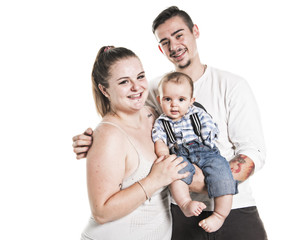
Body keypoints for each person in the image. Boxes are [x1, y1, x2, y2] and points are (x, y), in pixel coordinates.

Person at [73, 6, 267, 240]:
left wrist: (210, 181)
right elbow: (127, 124)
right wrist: (93, 139)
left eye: (178, 35)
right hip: (179, 212)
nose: (174, 46)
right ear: (159, 48)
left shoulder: (231, 85)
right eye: (165, 42)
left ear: (195, 31)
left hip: (234, 208)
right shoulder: (153, 89)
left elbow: (253, 152)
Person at [79, 45, 189, 240]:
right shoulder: (109, 135)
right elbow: (101, 212)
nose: (137, 87)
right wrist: (154, 180)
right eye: (124, 82)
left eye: (140, 76)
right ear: (104, 89)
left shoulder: (153, 115)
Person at [152, 71, 238, 233]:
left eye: (181, 100)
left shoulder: (197, 113)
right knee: (177, 174)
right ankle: (185, 203)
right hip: (180, 153)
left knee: (222, 171)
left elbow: (210, 127)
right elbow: (160, 142)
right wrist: (164, 156)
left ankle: (219, 215)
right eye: (167, 99)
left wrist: (208, 137)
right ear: (159, 100)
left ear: (192, 101)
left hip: (205, 150)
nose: (174, 104)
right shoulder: (161, 123)